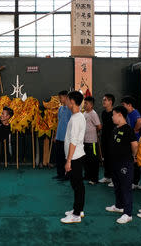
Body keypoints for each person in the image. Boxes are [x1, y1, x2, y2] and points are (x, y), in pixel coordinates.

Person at [105, 106, 138, 224]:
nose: (112, 117)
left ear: (119, 115)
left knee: (125, 187)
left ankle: (128, 213)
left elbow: (134, 145)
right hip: (114, 163)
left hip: (125, 163)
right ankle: (119, 206)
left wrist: (133, 156)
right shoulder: (115, 129)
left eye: (113, 114)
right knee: (117, 185)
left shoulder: (128, 129)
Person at [60, 91, 86, 224]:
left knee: (77, 185)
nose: (66, 102)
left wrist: (69, 160)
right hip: (75, 156)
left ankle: (76, 214)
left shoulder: (77, 119)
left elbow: (74, 141)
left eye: (68, 100)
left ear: (72, 102)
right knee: (76, 184)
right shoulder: (77, 116)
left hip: (75, 157)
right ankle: (78, 209)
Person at [121, 96, 141, 189]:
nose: (122, 107)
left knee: (135, 162)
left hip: (135, 142)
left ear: (129, 105)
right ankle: (131, 180)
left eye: (123, 105)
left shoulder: (135, 113)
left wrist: (135, 130)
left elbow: (140, 122)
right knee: (130, 161)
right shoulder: (127, 114)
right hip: (129, 141)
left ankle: (135, 182)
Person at [54, 91, 72, 181]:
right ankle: (60, 174)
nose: (60, 99)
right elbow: (59, 122)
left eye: (61, 98)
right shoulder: (60, 109)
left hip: (66, 138)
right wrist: (56, 135)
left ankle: (67, 175)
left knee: (66, 157)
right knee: (59, 157)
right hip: (59, 137)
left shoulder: (70, 109)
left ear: (66, 97)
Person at [83, 96, 101, 185]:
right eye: (84, 103)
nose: (84, 105)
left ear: (91, 105)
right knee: (87, 160)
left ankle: (94, 179)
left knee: (94, 161)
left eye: (86, 103)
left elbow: (99, 126)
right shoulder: (84, 113)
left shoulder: (93, 114)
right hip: (85, 142)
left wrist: (93, 133)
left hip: (92, 142)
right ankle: (87, 176)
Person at [99, 94, 115, 185]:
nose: (103, 101)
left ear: (110, 102)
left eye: (105, 100)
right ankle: (107, 176)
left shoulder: (115, 113)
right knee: (105, 158)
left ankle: (114, 178)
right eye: (103, 99)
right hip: (104, 138)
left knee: (112, 159)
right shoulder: (103, 113)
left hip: (112, 139)